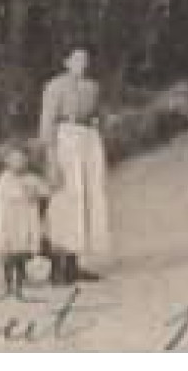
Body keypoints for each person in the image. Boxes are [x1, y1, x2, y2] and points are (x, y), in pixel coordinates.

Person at [39, 48, 111, 284]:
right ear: (66, 61)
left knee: (86, 199)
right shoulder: (55, 86)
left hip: (88, 143)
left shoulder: (93, 87)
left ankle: (74, 264)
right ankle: (58, 267)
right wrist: (52, 161)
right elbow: (47, 123)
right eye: (77, 59)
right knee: (65, 200)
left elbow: (100, 115)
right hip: (65, 142)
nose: (82, 64)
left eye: (85, 60)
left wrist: (99, 123)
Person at [0, 144, 50, 298]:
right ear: (7, 162)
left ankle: (19, 282)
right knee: (7, 253)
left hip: (25, 222)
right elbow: (12, 194)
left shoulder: (31, 177)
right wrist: (28, 192)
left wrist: (37, 192)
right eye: (14, 160)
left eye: (22, 160)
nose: (19, 163)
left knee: (22, 252)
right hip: (9, 223)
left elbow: (45, 191)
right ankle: (8, 283)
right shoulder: (3, 179)